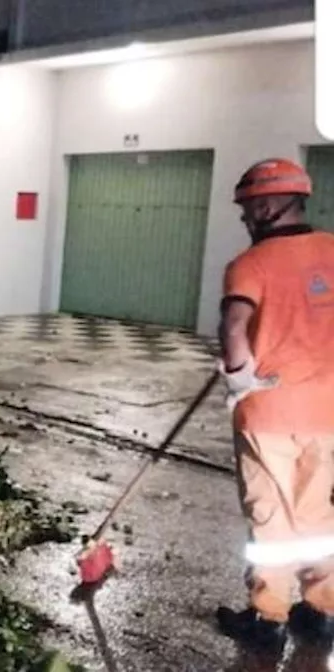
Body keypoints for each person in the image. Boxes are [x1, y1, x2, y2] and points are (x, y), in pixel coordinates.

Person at [216, 157, 334, 654]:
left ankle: (268, 618)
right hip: (327, 412)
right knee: (316, 514)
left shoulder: (250, 264)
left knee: (270, 519)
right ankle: (323, 609)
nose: (245, 218)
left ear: (268, 205)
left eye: (247, 208)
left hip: (269, 413)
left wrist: (239, 375)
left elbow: (235, 325)